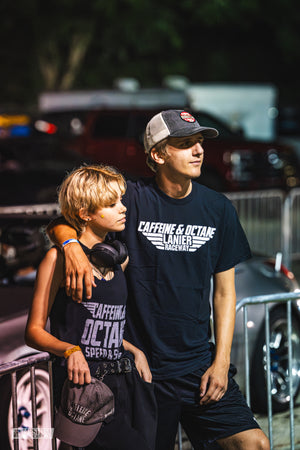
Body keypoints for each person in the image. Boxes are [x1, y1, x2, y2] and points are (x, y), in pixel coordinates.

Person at [47, 110, 270, 450]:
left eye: (199, 142)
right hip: (142, 371)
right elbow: (65, 218)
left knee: (254, 444)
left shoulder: (219, 208)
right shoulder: (132, 200)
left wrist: (221, 362)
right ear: (158, 154)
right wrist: (71, 246)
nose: (198, 150)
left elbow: (225, 294)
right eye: (184, 144)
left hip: (198, 367)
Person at [25, 164, 157, 450]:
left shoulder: (117, 260)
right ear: (85, 213)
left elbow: (98, 325)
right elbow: (33, 332)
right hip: (86, 389)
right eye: (111, 204)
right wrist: (69, 350)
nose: (122, 208)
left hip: (125, 382)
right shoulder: (57, 259)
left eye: (121, 200)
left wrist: (134, 350)